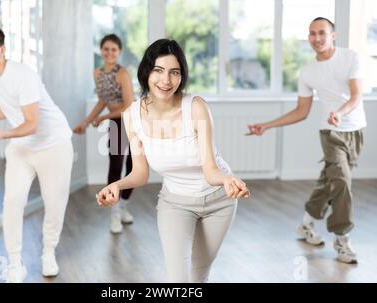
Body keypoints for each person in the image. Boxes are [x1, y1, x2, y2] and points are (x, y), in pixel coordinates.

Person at [96, 39, 250, 282]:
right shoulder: (132, 115)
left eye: (174, 72)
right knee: (178, 279)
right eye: (158, 71)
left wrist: (228, 179)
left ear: (182, 76)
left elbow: (210, 169)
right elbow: (140, 174)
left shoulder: (196, 107)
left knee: (199, 274)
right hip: (175, 203)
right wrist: (116, 185)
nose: (166, 81)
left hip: (219, 201)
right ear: (146, 72)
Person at [0, 25, 74, 282]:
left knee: (54, 204)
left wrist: (4, 135)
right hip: (23, 146)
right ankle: (15, 263)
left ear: (2, 50)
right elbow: (6, 109)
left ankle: (48, 253)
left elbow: (32, 123)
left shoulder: (23, 75)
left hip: (53, 145)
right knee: (12, 202)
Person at [247, 17, 366, 264]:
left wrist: (340, 113)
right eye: (312, 34)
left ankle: (306, 225)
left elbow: (356, 96)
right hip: (330, 134)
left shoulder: (350, 57)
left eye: (322, 33)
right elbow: (301, 112)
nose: (316, 38)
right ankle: (342, 238)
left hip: (355, 131)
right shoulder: (308, 72)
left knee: (330, 183)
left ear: (333, 35)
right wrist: (266, 126)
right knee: (342, 182)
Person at [74, 34, 135, 234]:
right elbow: (102, 101)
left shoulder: (123, 73)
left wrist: (103, 118)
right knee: (115, 165)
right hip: (116, 121)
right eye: (106, 49)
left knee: (133, 168)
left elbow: (128, 107)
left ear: (119, 52)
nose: (109, 53)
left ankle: (124, 205)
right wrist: (86, 121)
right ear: (101, 51)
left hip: (133, 121)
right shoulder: (97, 73)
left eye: (114, 50)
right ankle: (114, 212)